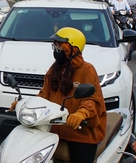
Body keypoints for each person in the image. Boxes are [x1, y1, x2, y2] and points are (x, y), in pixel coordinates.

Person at [36, 27, 106, 163]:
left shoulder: (87, 69)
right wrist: (26, 104)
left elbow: (91, 99)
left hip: (81, 131)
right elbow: (44, 94)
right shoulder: (55, 69)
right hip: (55, 128)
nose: (56, 48)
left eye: (60, 45)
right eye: (55, 44)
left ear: (73, 48)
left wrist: (81, 113)